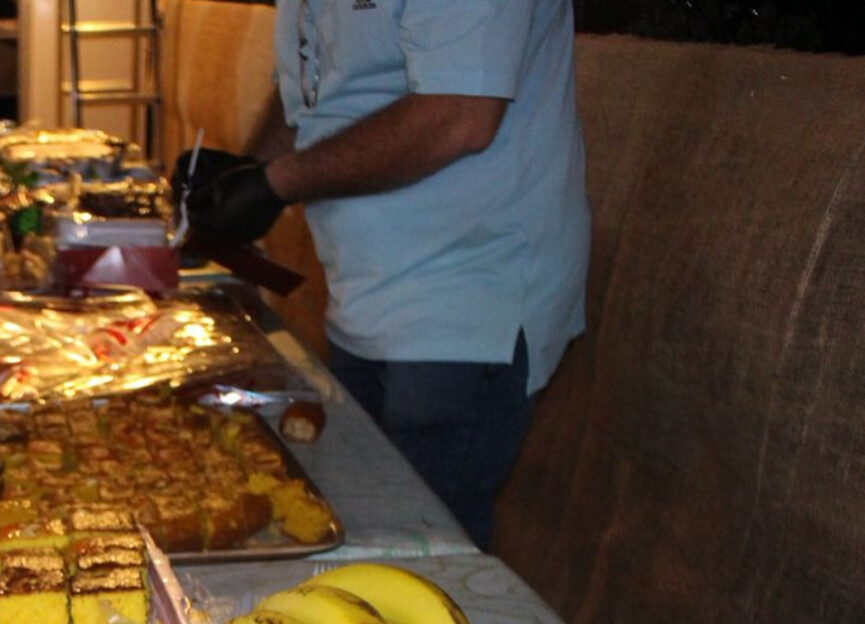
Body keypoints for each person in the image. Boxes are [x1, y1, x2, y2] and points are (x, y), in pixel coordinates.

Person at [180, 0, 590, 549]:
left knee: (422, 551)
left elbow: (461, 113)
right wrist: (242, 173)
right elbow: (316, 82)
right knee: (355, 532)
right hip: (363, 289)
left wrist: (277, 183)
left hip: (465, 298)